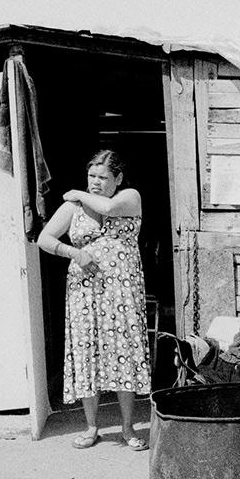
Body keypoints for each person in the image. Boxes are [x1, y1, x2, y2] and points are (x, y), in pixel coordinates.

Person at [37, 150, 151, 450]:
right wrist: (73, 252)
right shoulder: (73, 209)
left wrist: (76, 192)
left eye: (102, 177)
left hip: (122, 292)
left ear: (118, 179)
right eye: (91, 177)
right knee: (88, 352)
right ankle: (91, 427)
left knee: (123, 351)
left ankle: (128, 428)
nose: (96, 183)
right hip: (84, 291)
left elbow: (110, 207)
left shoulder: (129, 196)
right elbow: (45, 239)